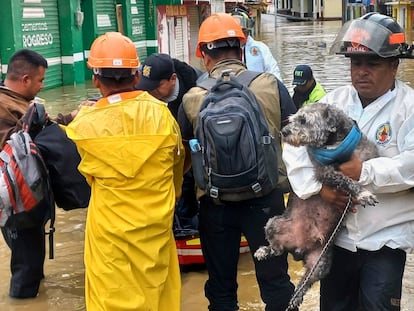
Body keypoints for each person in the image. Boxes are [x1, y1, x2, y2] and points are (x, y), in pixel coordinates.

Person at [282, 12, 414, 311]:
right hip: (337, 240)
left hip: (386, 241)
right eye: (356, 63)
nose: (361, 72)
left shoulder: (409, 108)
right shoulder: (333, 103)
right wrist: (319, 191)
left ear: (394, 66)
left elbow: (411, 164)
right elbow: (293, 148)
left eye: (373, 64)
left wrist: (365, 171)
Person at [178, 13, 296, 311]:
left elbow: (185, 162)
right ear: (242, 48)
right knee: (276, 283)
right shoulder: (270, 85)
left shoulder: (192, 97)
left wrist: (187, 209)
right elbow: (298, 144)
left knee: (221, 287)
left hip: (215, 206)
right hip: (266, 201)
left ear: (204, 54)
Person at [65, 32, 185, 310]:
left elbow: (81, 177)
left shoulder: (83, 125)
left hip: (110, 242)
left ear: (95, 80)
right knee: (160, 297)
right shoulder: (162, 115)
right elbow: (176, 168)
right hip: (155, 233)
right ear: (135, 76)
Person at [0, 49, 50, 299]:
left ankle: (35, 297)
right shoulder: (2, 105)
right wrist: (32, 121)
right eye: (40, 80)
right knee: (26, 267)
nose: (42, 85)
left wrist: (71, 117)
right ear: (25, 79)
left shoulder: (18, 102)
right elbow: (11, 144)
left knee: (32, 261)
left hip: (28, 194)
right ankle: (22, 302)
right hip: (16, 200)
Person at [135, 53, 199, 231]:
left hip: (192, 148)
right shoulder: (148, 90)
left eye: (156, 87)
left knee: (189, 182)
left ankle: (187, 219)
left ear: (173, 79)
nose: (150, 92)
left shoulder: (197, 90)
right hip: (162, 153)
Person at [230, 5, 283, 81]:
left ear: (248, 30)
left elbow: (274, 74)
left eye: (243, 32)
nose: (240, 37)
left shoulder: (261, 49)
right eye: (236, 33)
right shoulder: (223, 52)